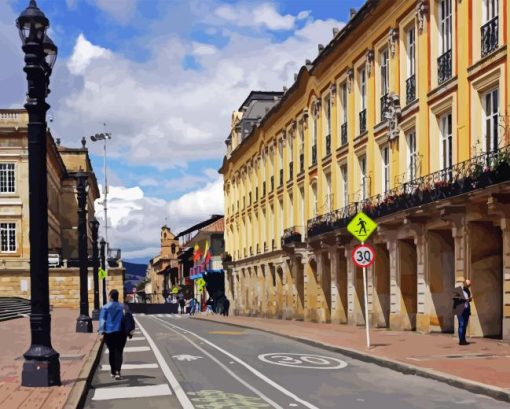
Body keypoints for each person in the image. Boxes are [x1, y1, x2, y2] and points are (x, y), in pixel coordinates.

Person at [98, 289, 134, 380]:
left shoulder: (105, 307)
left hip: (109, 332)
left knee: (111, 351)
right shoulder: (123, 307)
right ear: (118, 296)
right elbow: (129, 318)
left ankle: (113, 371)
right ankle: (118, 371)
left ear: (110, 296)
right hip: (121, 332)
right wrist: (129, 331)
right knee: (119, 351)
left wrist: (101, 331)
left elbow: (102, 320)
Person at [453, 279, 472, 346]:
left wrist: (469, 299)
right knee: (461, 324)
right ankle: (461, 341)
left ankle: (464, 339)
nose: (469, 286)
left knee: (464, 325)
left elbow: (468, 298)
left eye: (469, 285)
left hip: (466, 309)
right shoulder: (458, 289)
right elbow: (455, 299)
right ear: (464, 284)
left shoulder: (467, 290)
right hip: (460, 310)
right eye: (468, 285)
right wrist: (464, 299)